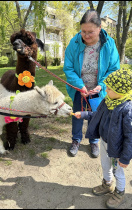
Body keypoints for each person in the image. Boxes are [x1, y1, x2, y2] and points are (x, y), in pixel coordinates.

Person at [63, 9, 120, 157]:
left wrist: (101, 85)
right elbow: (68, 68)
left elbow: (113, 69)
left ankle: (94, 141)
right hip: (79, 89)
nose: (86, 36)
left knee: (95, 116)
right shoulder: (74, 43)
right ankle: (76, 140)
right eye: (83, 31)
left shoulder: (109, 44)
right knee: (77, 115)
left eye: (91, 32)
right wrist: (79, 85)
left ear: (100, 28)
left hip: (98, 90)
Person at [73, 69, 132, 209]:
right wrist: (83, 114)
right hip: (105, 142)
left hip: (117, 149)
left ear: (121, 91)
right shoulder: (108, 100)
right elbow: (97, 115)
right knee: (105, 166)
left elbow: (130, 137)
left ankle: (120, 192)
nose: (107, 90)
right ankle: (107, 184)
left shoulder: (127, 110)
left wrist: (125, 158)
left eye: (110, 88)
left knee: (118, 171)